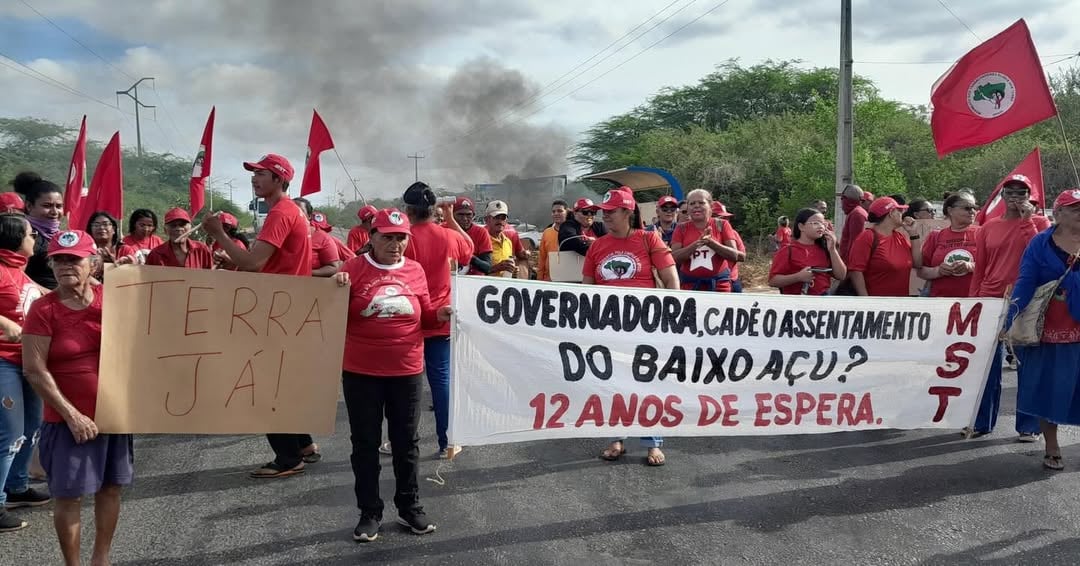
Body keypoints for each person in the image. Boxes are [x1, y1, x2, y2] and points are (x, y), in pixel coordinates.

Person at [203, 153, 319, 478]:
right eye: (254, 173)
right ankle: (304, 444)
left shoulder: (281, 212)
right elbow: (265, 261)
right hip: (286, 305)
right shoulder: (288, 211)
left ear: (279, 179)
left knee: (266, 386)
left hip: (276, 309)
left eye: (261, 174)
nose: (254, 179)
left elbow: (255, 263)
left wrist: (219, 234)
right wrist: (235, 262)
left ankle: (287, 458)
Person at [335, 208, 446, 541]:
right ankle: (370, 512)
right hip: (360, 371)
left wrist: (440, 314)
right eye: (387, 237)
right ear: (371, 237)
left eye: (401, 238)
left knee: (406, 443)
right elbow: (330, 317)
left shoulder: (415, 270)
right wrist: (335, 289)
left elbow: (425, 318)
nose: (395, 244)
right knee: (365, 444)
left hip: (407, 371)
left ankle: (409, 507)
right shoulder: (352, 269)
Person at [23, 230, 132, 566]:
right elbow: (35, 370)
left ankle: (101, 558)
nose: (66, 265)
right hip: (68, 422)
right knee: (69, 497)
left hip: (114, 414)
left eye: (75, 259)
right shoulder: (43, 310)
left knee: (110, 488)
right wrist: (72, 415)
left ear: (93, 263)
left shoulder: (117, 298)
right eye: (59, 259)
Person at [583, 188, 678, 466]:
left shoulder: (649, 239)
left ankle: (652, 442)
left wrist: (669, 316)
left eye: (612, 211)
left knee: (647, 383)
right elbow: (587, 290)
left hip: (645, 327)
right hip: (608, 328)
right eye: (604, 212)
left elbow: (671, 280)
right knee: (611, 383)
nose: (606, 216)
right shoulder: (597, 246)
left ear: (628, 212)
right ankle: (615, 438)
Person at [968, 175, 1049, 441]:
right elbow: (980, 267)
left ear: (1030, 196)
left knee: (1027, 364)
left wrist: (1027, 221)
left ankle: (1028, 425)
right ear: (1001, 197)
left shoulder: (1040, 223)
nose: (1015, 197)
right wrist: (974, 300)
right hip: (990, 298)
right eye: (1010, 192)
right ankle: (982, 421)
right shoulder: (988, 227)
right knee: (986, 365)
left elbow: (1040, 255)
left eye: (1021, 192)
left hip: (1025, 300)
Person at [401, 182, 473, 458]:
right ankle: (448, 442)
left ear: (408, 210)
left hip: (408, 317)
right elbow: (468, 249)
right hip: (441, 318)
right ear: (434, 209)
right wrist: (452, 218)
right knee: (440, 381)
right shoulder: (448, 236)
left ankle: (401, 441)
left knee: (403, 384)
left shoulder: (401, 237)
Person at [1010, 189, 1080, 470]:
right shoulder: (1040, 243)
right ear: (1058, 213)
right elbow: (1026, 280)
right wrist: (1011, 318)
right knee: (1047, 388)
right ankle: (1052, 445)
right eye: (1074, 208)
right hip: (1047, 328)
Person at [0, 213, 49, 532]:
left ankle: (17, 486)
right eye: (31, 233)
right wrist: (3, 323)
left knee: (32, 426)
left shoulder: (20, 271)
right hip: (3, 360)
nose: (35, 239)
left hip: (27, 361)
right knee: (8, 434)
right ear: (15, 237)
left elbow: (44, 298)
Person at [669, 189, 743, 292]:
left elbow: (734, 255)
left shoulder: (722, 225)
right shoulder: (681, 228)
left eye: (701, 202)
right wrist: (696, 244)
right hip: (690, 286)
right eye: (692, 203)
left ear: (710, 206)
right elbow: (674, 258)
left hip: (719, 286)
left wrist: (711, 243)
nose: (696, 206)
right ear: (688, 208)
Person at [847, 197, 917, 297]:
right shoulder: (867, 237)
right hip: (876, 305)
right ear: (891, 213)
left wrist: (913, 233)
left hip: (900, 306)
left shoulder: (899, 237)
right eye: (899, 210)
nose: (902, 214)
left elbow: (917, 263)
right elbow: (855, 271)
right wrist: (865, 301)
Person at [768, 208, 846, 295]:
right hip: (798, 304)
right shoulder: (788, 250)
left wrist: (832, 249)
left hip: (823, 302)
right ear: (801, 226)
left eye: (823, 224)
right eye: (815, 223)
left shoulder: (825, 249)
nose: (821, 226)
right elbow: (773, 281)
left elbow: (841, 275)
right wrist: (798, 277)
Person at [916, 192, 978, 298]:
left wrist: (970, 266)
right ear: (950, 210)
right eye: (967, 208)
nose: (972, 211)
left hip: (974, 301)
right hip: (940, 302)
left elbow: (994, 266)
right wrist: (938, 271)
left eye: (974, 208)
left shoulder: (983, 233)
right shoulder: (935, 236)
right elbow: (921, 270)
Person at [11, 172, 64, 290]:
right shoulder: (23, 236)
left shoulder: (61, 235)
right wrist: (47, 294)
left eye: (59, 206)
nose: (55, 211)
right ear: (29, 206)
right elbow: (15, 274)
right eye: (47, 205)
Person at [144, 208, 214, 269]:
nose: (178, 229)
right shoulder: (156, 254)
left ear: (190, 228)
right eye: (173, 225)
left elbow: (209, 278)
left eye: (182, 224)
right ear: (165, 230)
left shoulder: (202, 250)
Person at [293, 197, 342, 277]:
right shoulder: (278, 234)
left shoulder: (323, 238)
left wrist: (306, 273)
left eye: (300, 211)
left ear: (309, 216)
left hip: (311, 286)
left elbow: (333, 267)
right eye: (291, 211)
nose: (294, 214)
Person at [451, 197, 493, 276]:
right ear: (452, 215)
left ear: (473, 215)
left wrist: (468, 256)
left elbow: (487, 267)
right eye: (460, 215)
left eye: (468, 215)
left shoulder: (481, 232)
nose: (465, 218)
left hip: (474, 282)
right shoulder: (443, 230)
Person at [713, 201, 747, 292]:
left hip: (731, 280)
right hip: (710, 281)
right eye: (721, 218)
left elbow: (742, 256)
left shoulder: (733, 233)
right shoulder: (700, 235)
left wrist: (719, 248)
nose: (725, 221)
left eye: (727, 218)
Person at [536, 199, 569, 281]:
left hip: (569, 281)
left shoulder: (574, 232)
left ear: (567, 212)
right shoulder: (547, 232)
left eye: (560, 211)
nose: (556, 214)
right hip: (549, 281)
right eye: (553, 212)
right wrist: (539, 279)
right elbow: (542, 258)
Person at [484, 200, 518, 277]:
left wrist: (513, 271)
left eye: (503, 218)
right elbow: (475, 271)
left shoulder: (508, 242)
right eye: (496, 217)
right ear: (487, 220)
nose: (500, 221)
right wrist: (495, 268)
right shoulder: (481, 241)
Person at [85, 212, 121, 279]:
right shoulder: (85, 251)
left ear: (114, 229)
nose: (101, 227)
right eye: (96, 225)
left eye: (105, 224)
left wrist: (113, 263)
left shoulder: (123, 250)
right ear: (90, 230)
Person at [838, 184, 868, 263]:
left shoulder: (857, 214)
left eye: (842, 199)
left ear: (847, 200)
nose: (841, 204)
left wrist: (850, 267)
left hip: (851, 264)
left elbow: (855, 244)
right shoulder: (855, 213)